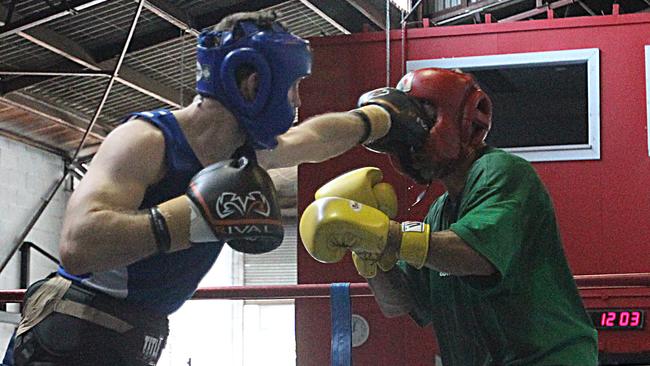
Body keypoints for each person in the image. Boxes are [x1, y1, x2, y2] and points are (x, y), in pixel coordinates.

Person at [9, 11, 426, 366]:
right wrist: (190, 218)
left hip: (132, 338)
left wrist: (378, 118)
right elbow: (78, 245)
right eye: (292, 85)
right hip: (70, 333)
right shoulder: (145, 139)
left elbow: (313, 140)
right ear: (252, 83)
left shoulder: (241, 151)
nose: (298, 100)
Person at [300, 68, 599, 365]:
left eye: (421, 129)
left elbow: (475, 256)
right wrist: (368, 251)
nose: (411, 148)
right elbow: (399, 303)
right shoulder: (440, 213)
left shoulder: (501, 170)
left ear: (461, 121)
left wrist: (384, 234)